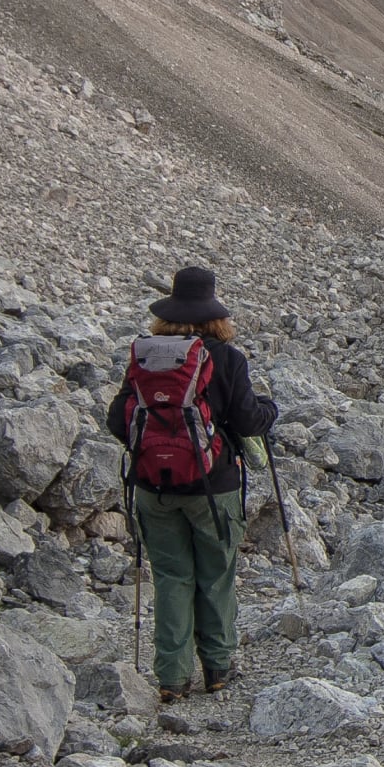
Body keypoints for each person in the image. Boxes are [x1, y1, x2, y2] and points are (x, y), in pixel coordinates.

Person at [108, 266, 276, 703]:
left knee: (171, 577)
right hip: (213, 488)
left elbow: (117, 421)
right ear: (214, 314)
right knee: (216, 575)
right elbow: (248, 421)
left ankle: (172, 677)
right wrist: (269, 411)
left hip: (153, 488)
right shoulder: (226, 358)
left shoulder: (144, 357)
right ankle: (217, 668)